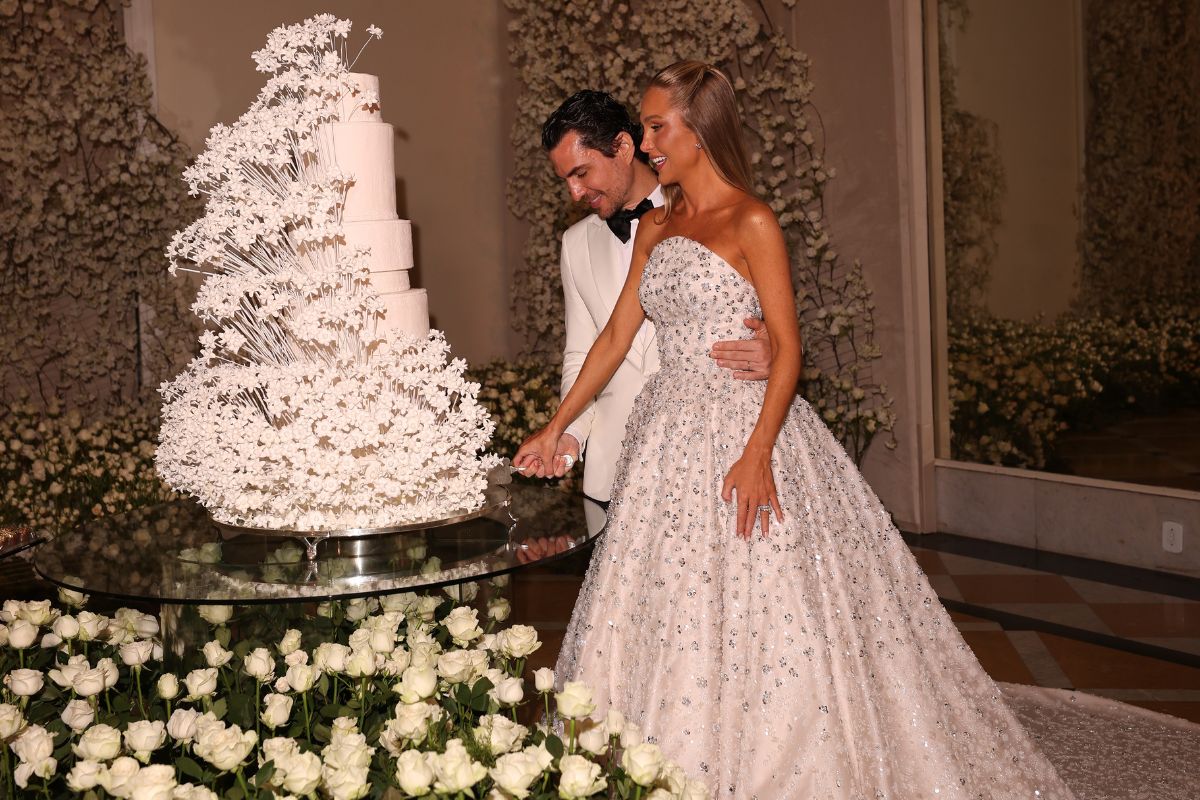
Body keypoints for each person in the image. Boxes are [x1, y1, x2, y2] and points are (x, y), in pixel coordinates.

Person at [514, 61, 1078, 798]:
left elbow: (789, 348)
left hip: (747, 428)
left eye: (657, 125)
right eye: (646, 127)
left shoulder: (752, 219)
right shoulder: (657, 221)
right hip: (665, 440)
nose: (649, 140)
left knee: (776, 609)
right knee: (664, 610)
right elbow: (617, 335)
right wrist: (556, 426)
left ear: (698, 126)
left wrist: (757, 457)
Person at [536, 90, 772, 503]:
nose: (575, 193)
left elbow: (761, 310)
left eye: (582, 172)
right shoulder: (575, 244)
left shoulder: (714, 213)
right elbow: (585, 350)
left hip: (712, 450)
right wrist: (568, 431)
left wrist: (772, 346)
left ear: (623, 148)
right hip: (615, 466)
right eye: (566, 181)